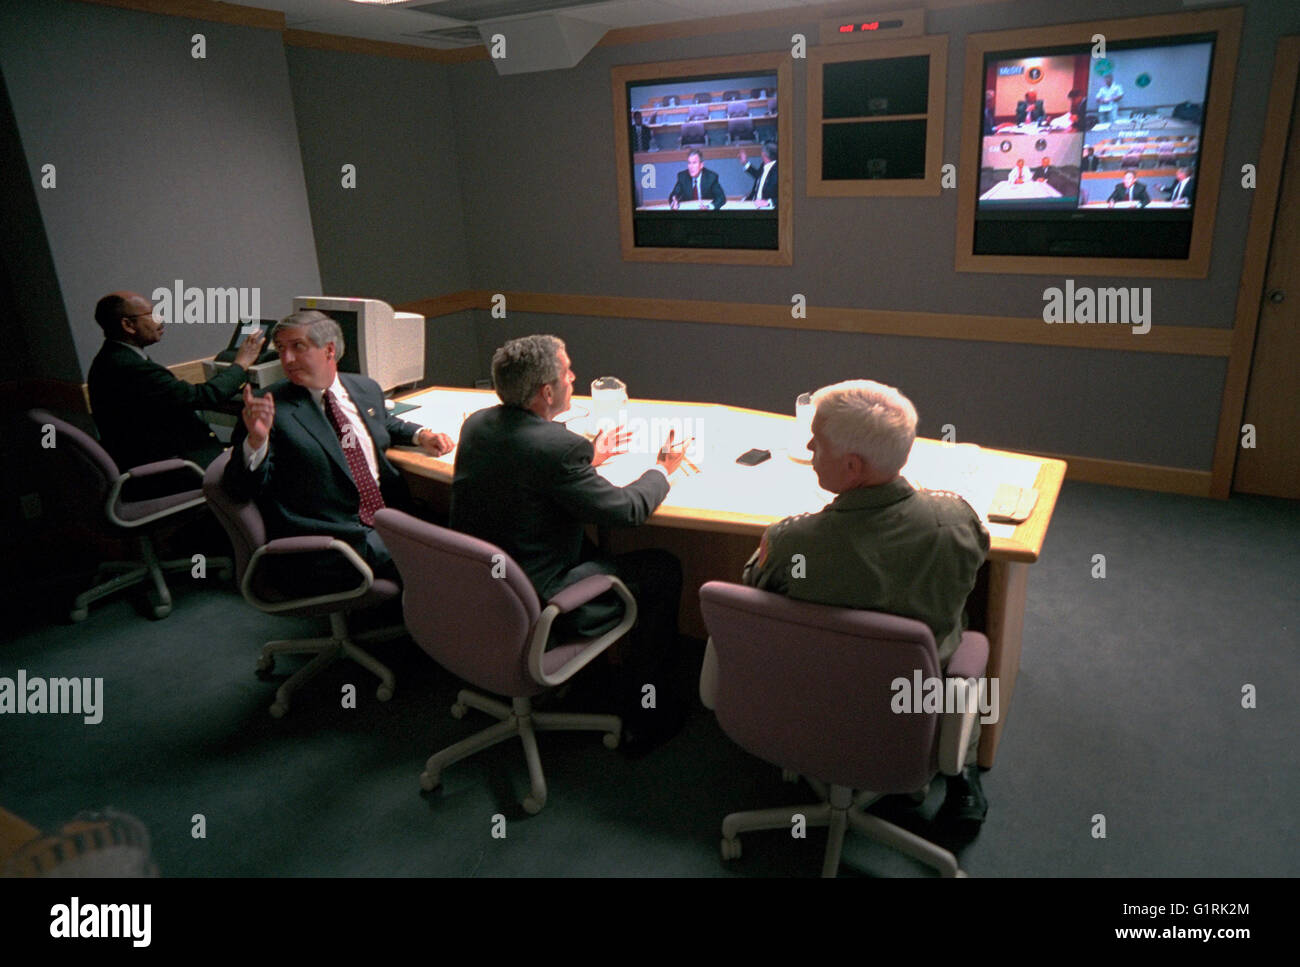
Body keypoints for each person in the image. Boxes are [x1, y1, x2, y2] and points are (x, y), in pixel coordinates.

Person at [703, 380, 991, 829]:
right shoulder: (955, 521)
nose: (810, 445)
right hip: (907, 706)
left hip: (806, 692)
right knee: (964, 627)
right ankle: (963, 773)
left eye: (818, 442)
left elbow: (755, 589)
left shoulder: (792, 542)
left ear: (853, 466)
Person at [450, 335, 687, 747]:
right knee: (662, 568)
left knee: (596, 549)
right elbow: (627, 511)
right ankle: (648, 715)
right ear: (546, 392)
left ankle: (592, 677)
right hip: (540, 598)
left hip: (484, 591)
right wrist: (663, 469)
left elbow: (525, 464)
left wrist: (589, 456)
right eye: (567, 372)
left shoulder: (477, 424)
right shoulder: (557, 448)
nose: (573, 377)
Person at [223, 310, 453, 590]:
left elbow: (382, 420)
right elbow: (237, 490)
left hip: (388, 515)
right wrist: (256, 442)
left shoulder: (364, 388)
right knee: (445, 562)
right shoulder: (268, 407)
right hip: (332, 538)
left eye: (298, 347)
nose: (287, 359)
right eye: (281, 349)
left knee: (460, 538)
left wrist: (420, 435)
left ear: (329, 350)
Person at [87, 290, 264, 472]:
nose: (160, 318)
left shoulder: (111, 357)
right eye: (152, 314)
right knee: (257, 462)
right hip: (170, 467)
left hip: (151, 456)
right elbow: (202, 396)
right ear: (128, 325)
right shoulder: (130, 367)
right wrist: (241, 364)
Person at [738, 141, 777, 207]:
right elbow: (759, 177)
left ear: (763, 154)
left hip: (766, 207)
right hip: (753, 202)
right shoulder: (764, 165)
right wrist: (745, 163)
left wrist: (769, 202)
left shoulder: (778, 171)